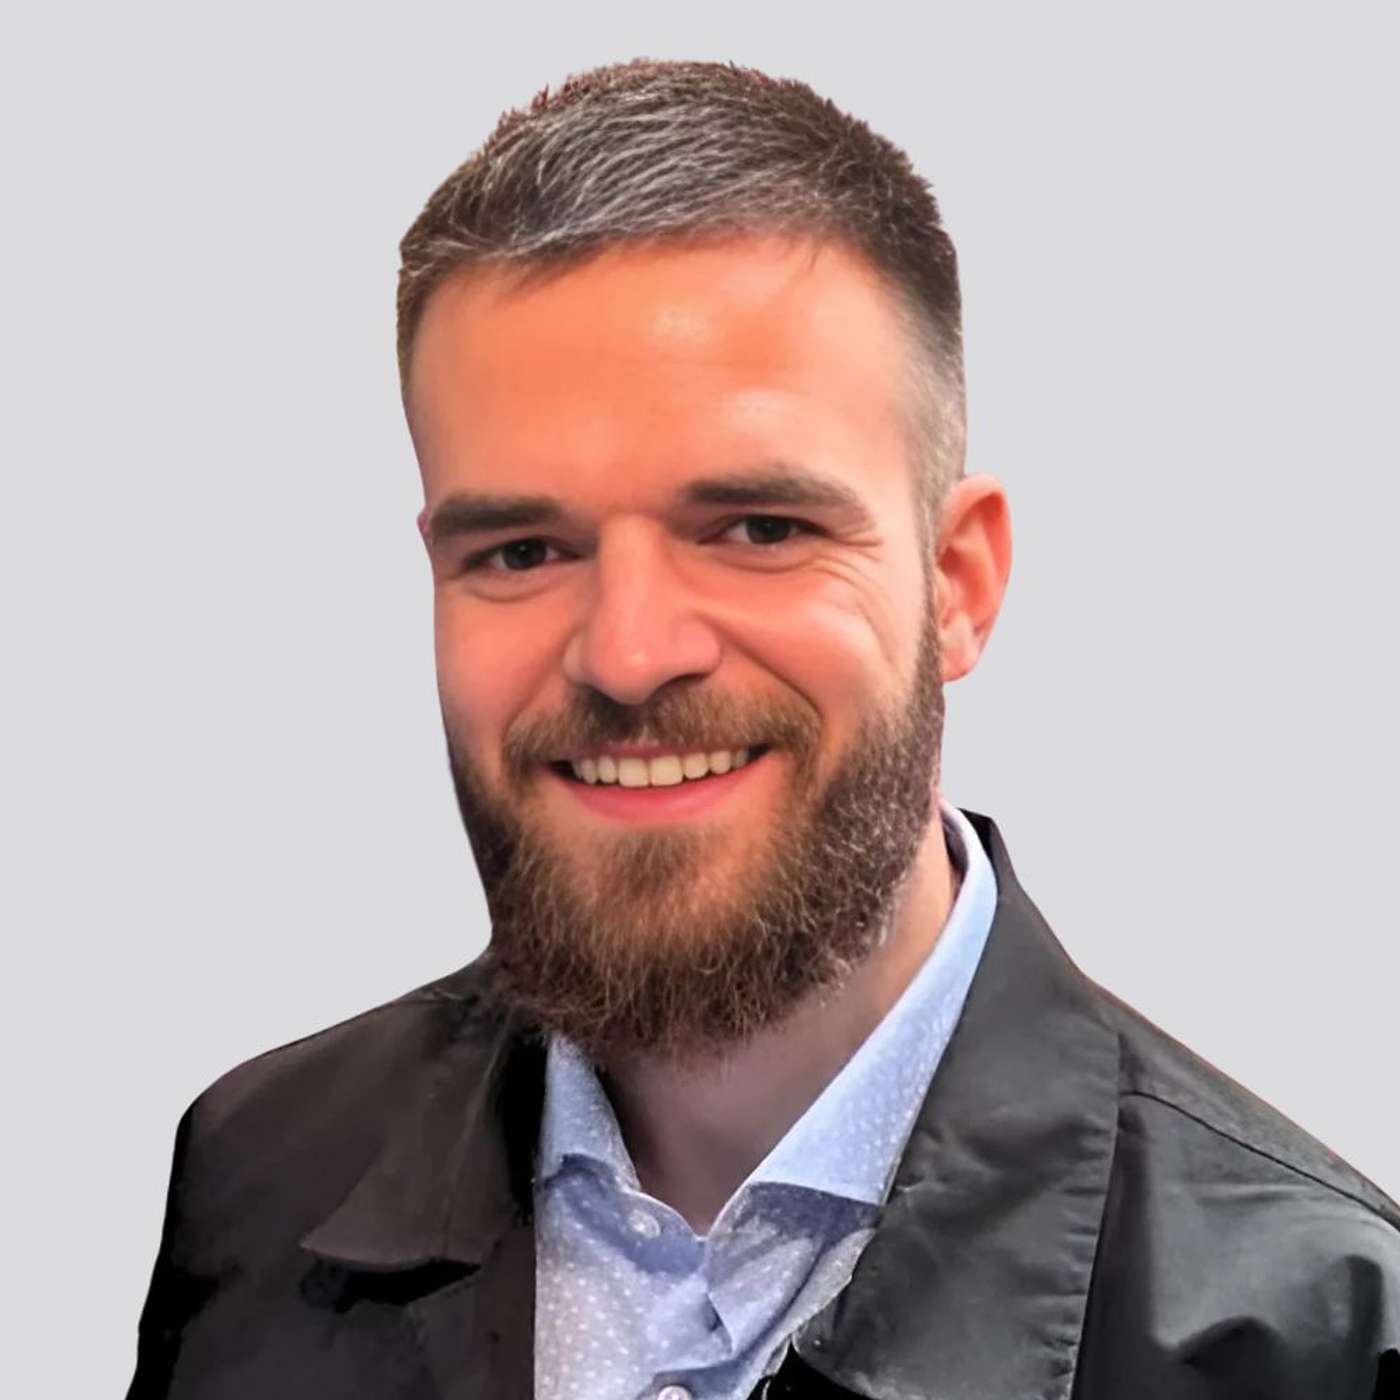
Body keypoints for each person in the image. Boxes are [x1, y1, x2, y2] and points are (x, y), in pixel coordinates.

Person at [127, 58, 1400, 1400]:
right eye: (521, 551)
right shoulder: (257, 1181)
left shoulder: (1315, 1342)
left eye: (757, 528)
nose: (628, 654)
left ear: (958, 583)